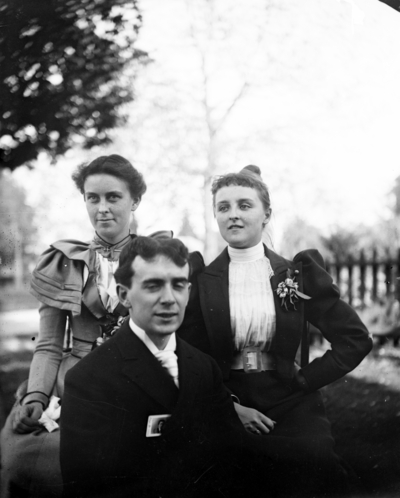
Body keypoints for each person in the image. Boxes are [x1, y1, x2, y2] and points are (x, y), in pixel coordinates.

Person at [178, 165, 373, 496]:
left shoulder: (295, 275)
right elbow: (188, 355)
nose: (233, 215)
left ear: (266, 213)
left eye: (245, 205)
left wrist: (305, 380)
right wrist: (228, 406)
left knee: (312, 461)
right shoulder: (201, 279)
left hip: (290, 400)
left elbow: (355, 339)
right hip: (228, 399)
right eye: (223, 207)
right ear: (215, 215)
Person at [60, 236, 274, 498]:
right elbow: (89, 488)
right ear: (124, 295)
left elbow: (230, 457)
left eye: (179, 285)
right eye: (153, 286)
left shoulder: (203, 368)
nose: (169, 299)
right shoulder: (89, 379)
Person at [0, 154, 150, 498]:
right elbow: (49, 344)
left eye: (113, 197)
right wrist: (37, 396)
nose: (102, 208)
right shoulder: (64, 262)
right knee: (24, 457)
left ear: (135, 200)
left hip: (141, 380)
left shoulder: (154, 257)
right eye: (92, 197)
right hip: (75, 384)